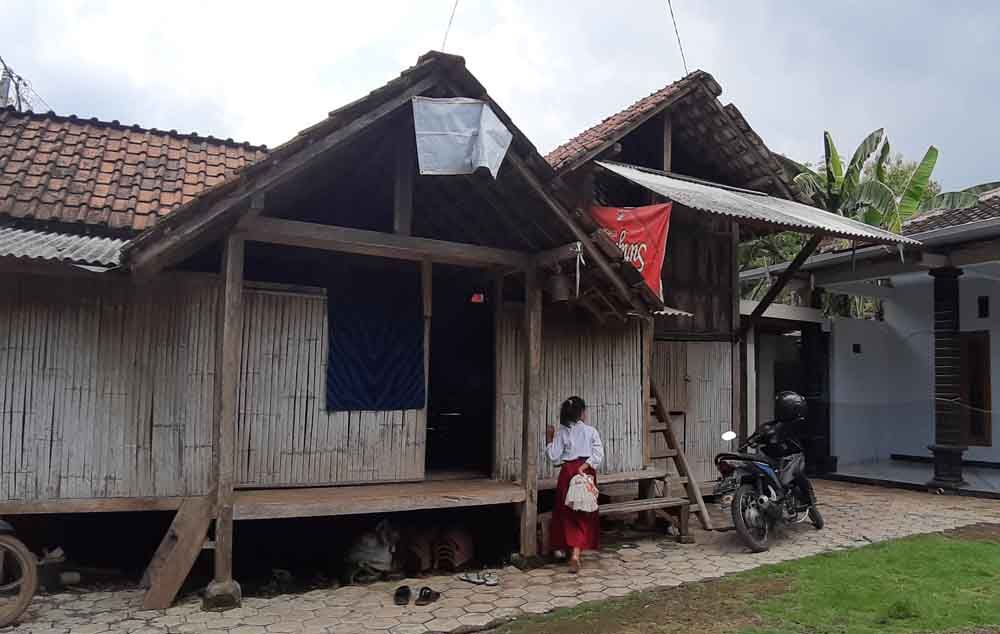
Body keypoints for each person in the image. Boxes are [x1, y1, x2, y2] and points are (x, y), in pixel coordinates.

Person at [545, 396, 604, 573]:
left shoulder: (562, 432)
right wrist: (585, 466)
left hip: (568, 473)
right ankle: (576, 555)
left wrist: (549, 438)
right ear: (582, 413)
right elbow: (598, 453)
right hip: (586, 473)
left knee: (567, 512)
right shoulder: (591, 431)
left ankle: (568, 550)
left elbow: (553, 456)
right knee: (584, 511)